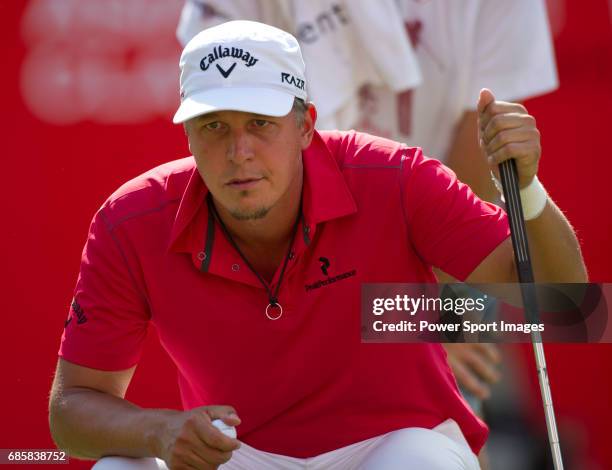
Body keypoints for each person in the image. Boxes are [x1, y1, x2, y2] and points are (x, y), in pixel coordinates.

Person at [49, 20, 586, 470]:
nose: (239, 152)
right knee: (120, 465)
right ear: (187, 135)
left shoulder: (393, 176)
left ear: (306, 125)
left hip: (394, 445)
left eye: (260, 123)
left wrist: (529, 192)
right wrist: (158, 430)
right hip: (240, 454)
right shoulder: (131, 219)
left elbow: (566, 305)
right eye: (213, 126)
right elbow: (71, 410)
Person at [175, 0, 559, 413]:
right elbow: (244, 153)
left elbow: (473, 160)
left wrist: (425, 314)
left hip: (430, 242)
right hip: (287, 250)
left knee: (453, 414)